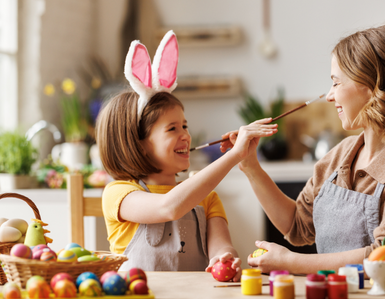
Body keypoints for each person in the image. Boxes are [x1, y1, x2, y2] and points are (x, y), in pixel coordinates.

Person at [220, 24, 385, 274]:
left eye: (336, 83)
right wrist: (251, 167)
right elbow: (298, 226)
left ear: (372, 85)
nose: (329, 96)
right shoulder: (341, 154)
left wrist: (291, 262)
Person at [96, 31, 277, 280]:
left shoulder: (208, 199)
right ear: (138, 145)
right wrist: (234, 155)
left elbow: (222, 247)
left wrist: (224, 258)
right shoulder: (119, 194)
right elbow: (168, 207)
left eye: (185, 126)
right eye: (172, 129)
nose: (186, 136)